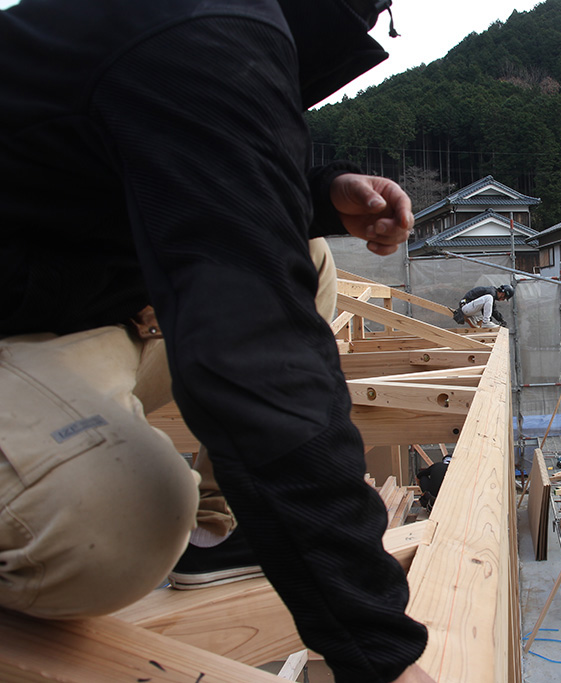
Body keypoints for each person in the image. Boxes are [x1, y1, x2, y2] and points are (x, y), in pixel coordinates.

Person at [0, 1, 434, 682]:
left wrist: (315, 195)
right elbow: (258, 360)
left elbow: (136, 165)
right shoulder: (200, 26)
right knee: (119, 524)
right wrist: (378, 651)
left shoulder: (206, 23)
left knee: (305, 255)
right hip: (30, 323)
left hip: (59, 303)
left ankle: (220, 529)